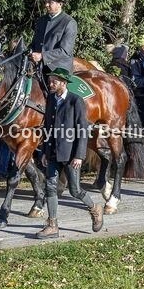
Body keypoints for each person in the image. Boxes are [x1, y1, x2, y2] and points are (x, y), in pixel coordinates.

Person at [35, 67, 104, 239]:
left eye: (54, 81)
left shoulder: (76, 101)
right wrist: (44, 150)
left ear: (63, 83)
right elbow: (47, 127)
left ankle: (95, 208)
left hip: (71, 154)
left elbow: (82, 130)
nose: (51, 84)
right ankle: (52, 225)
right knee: (50, 187)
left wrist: (79, 156)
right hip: (52, 152)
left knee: (75, 190)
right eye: (50, 80)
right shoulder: (51, 99)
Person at [30, 0, 78, 77]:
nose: (46, 5)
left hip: (58, 68)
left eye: (50, 2)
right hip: (38, 66)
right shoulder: (41, 20)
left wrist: (42, 56)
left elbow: (65, 51)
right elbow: (34, 44)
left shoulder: (69, 23)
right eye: (46, 2)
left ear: (60, 4)